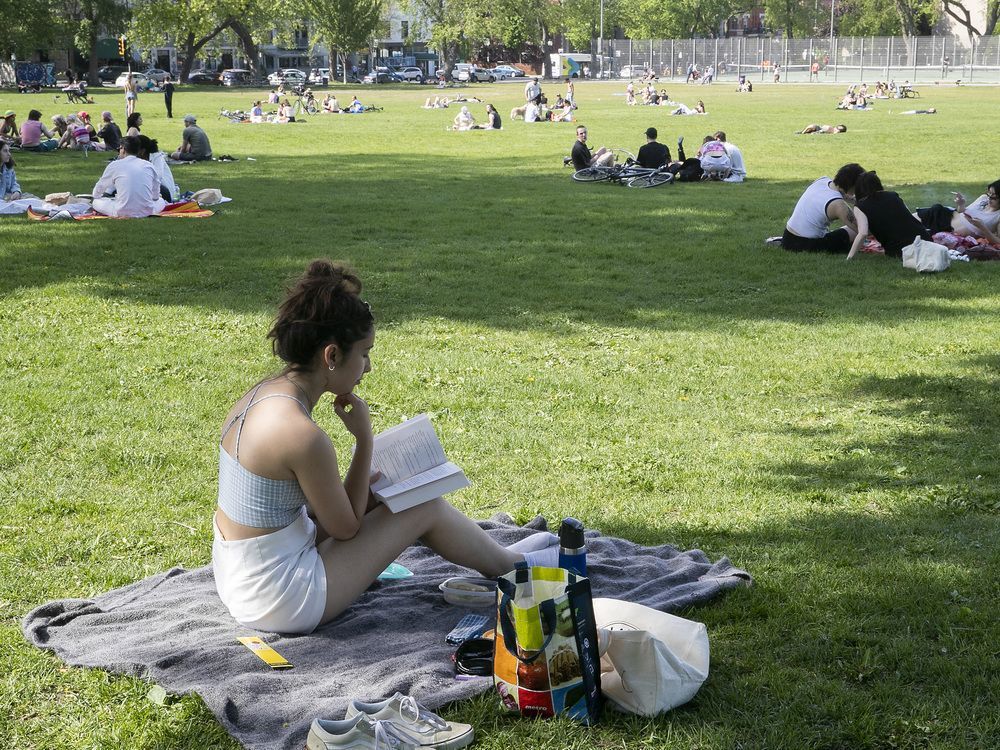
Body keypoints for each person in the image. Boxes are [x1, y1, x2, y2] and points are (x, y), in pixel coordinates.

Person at [210, 261, 560, 635]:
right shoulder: (301, 434)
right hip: (280, 599)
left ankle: (504, 558)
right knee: (422, 504)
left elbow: (298, 510)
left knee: (393, 499)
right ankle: (512, 566)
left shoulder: (261, 396)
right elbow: (345, 529)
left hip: (241, 574)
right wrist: (364, 440)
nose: (368, 367)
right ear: (331, 356)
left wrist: (370, 496)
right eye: (364, 353)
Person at [779, 163, 865, 253]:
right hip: (806, 245)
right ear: (852, 185)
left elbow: (839, 194)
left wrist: (857, 200)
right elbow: (861, 229)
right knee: (855, 231)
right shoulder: (838, 205)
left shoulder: (822, 180)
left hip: (788, 238)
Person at [846, 171, 932, 260]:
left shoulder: (860, 206)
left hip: (900, 250)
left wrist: (849, 258)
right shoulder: (893, 195)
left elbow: (863, 233)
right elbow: (909, 216)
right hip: (924, 239)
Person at [91, 135, 166, 218]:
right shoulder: (148, 165)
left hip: (121, 211)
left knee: (96, 202)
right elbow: (156, 191)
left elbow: (99, 188)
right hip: (147, 211)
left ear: (123, 149)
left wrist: (98, 197)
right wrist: (154, 198)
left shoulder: (115, 165)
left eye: (119, 149)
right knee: (161, 201)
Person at [915, 180, 1000, 245]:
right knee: (910, 218)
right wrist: (961, 204)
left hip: (947, 230)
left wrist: (982, 227)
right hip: (946, 216)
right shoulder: (983, 198)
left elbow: (998, 241)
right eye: (989, 193)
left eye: (994, 197)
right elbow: (961, 211)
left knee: (912, 228)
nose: (989, 198)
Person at [137, 134, 178, 203]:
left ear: (142, 151)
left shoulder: (157, 157)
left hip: (163, 189)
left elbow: (158, 176)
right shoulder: (137, 159)